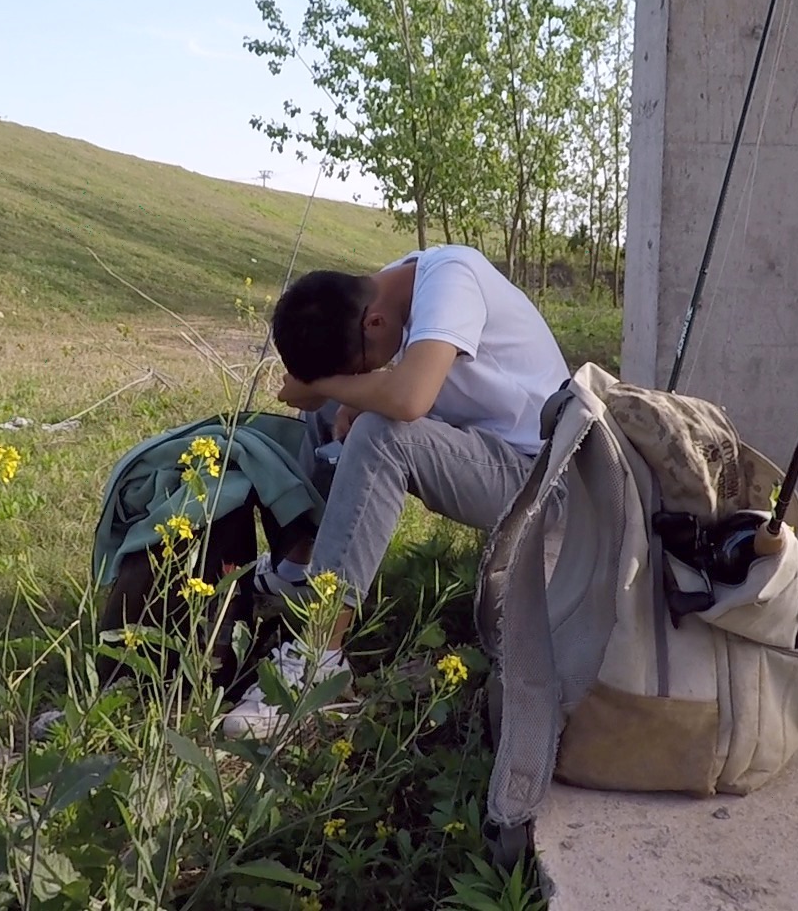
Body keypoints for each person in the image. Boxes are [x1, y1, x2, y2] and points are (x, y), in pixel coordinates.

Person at [220, 243, 572, 737]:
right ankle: (300, 569)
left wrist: (332, 387)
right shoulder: (386, 291)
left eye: (361, 365)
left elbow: (408, 398)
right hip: (487, 449)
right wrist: (337, 394)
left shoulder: (451, 280)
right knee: (332, 410)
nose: (363, 374)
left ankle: (319, 660)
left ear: (375, 324)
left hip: (543, 477)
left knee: (381, 433)